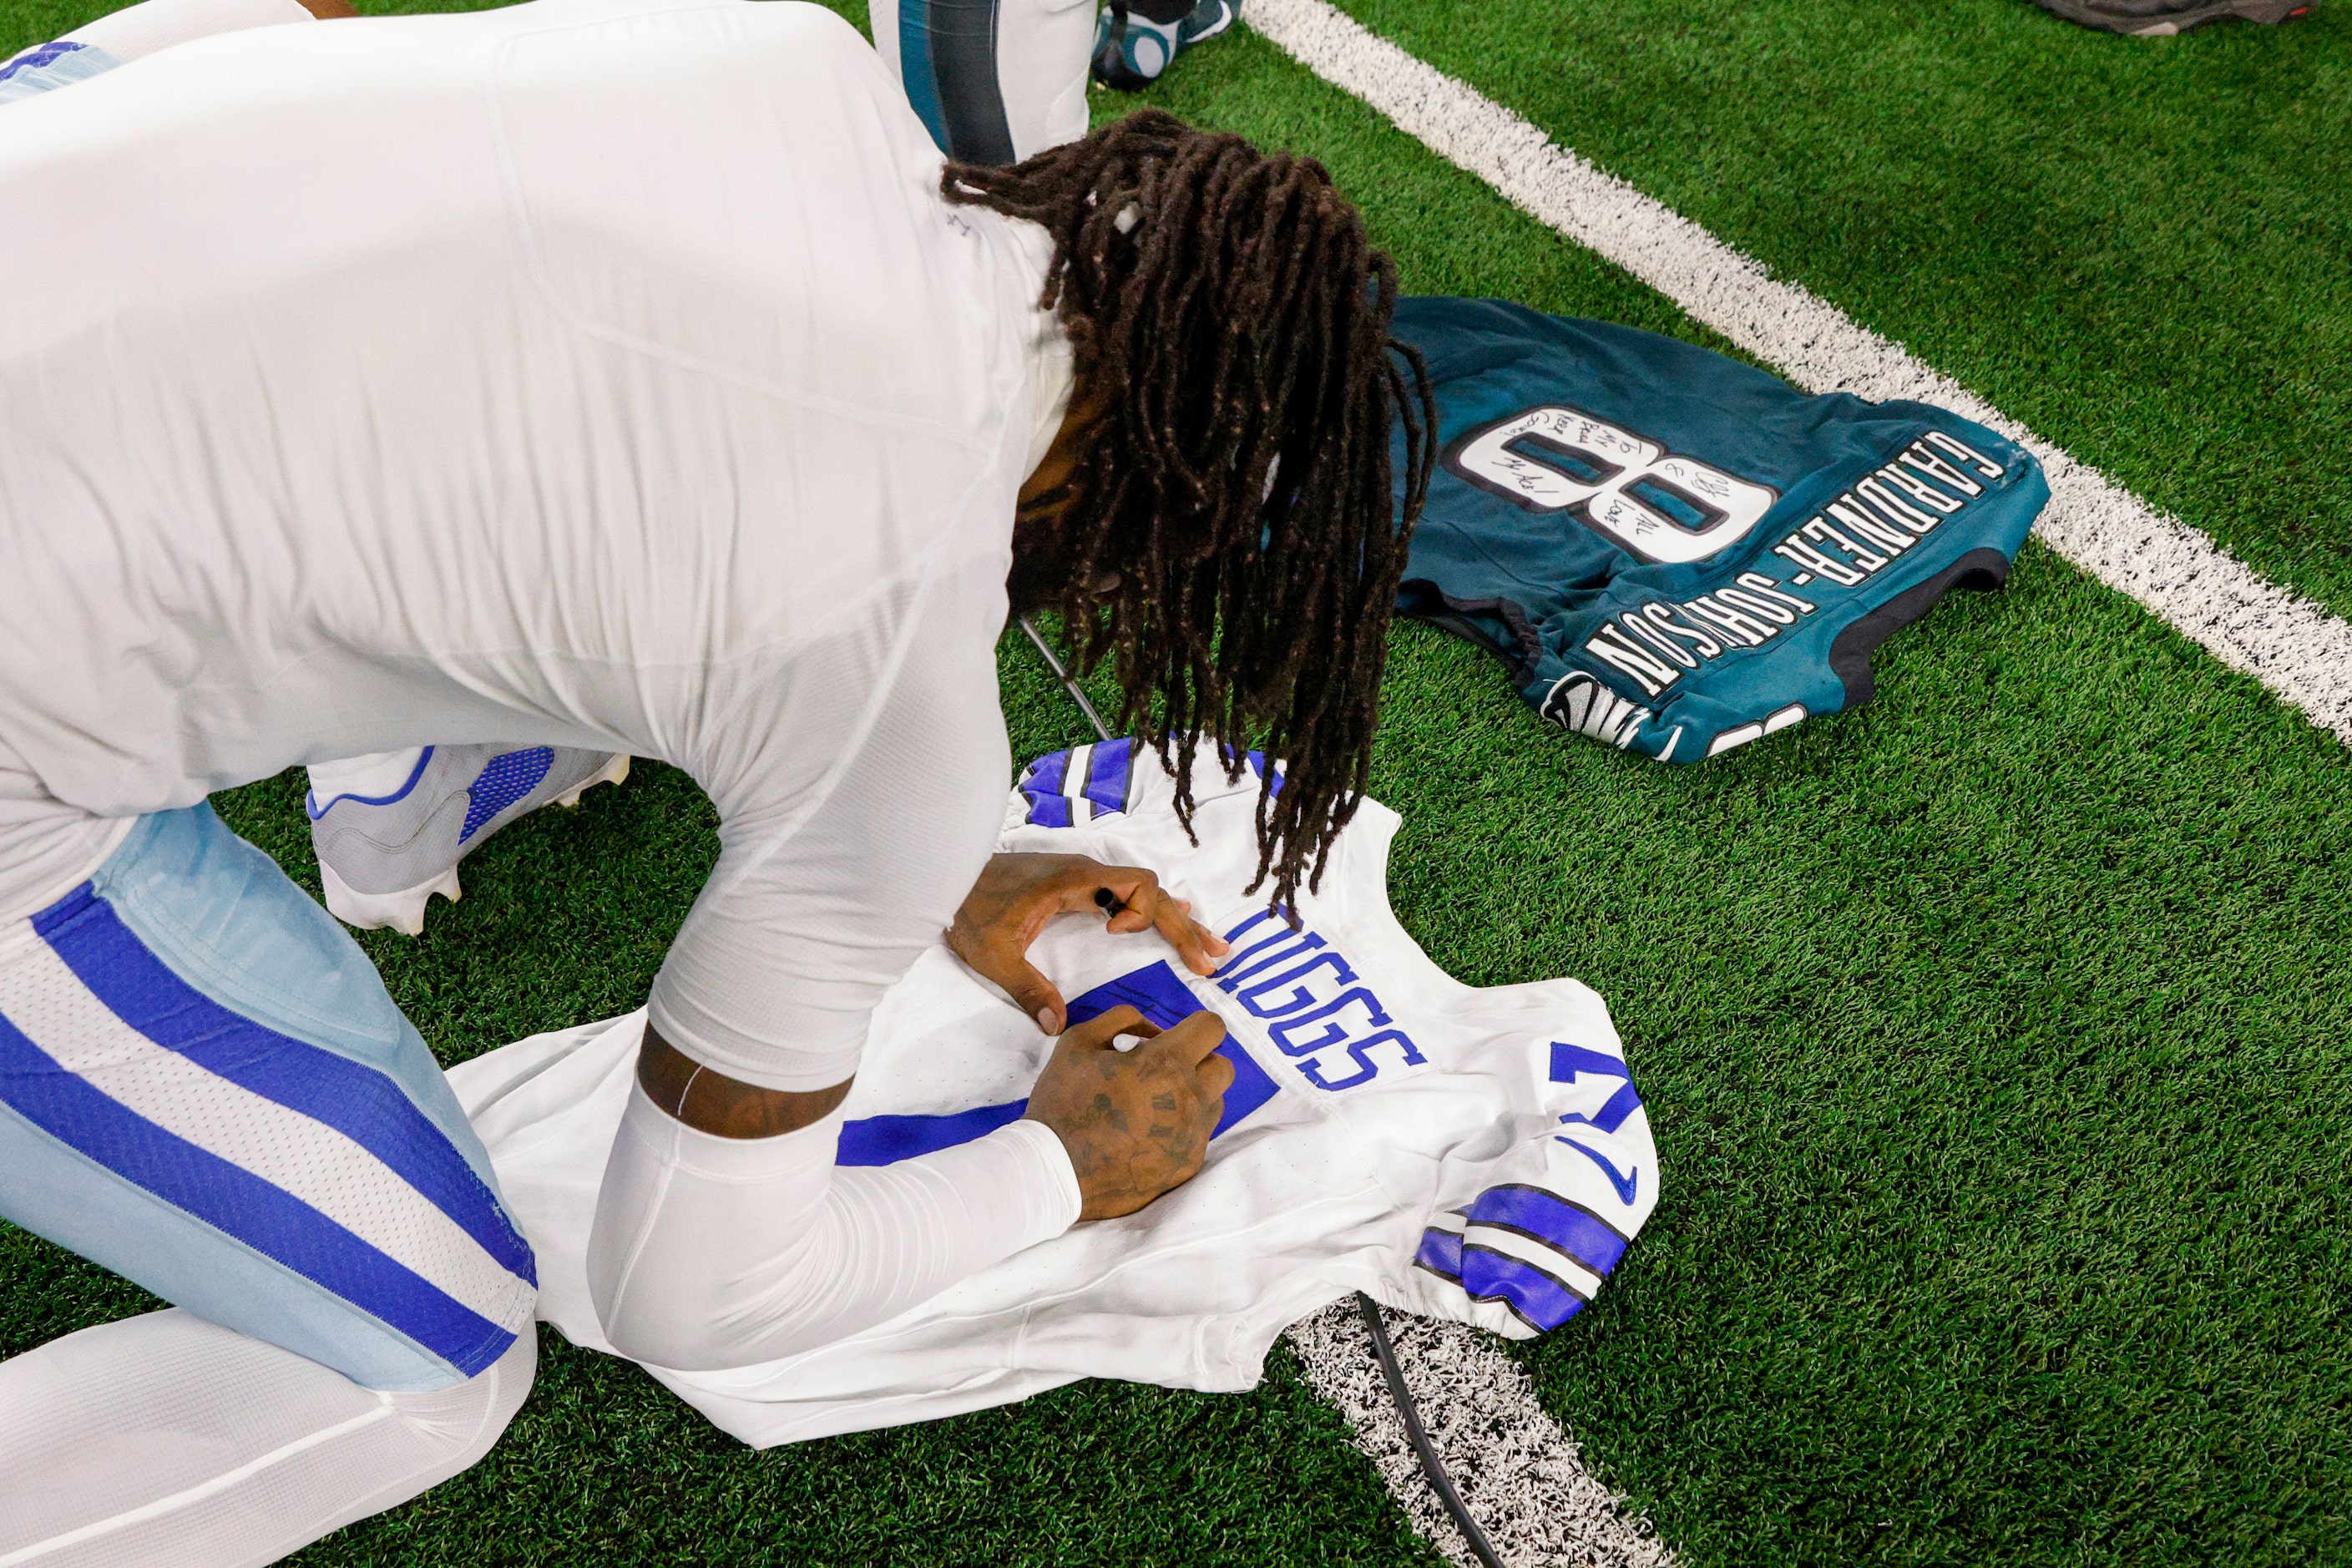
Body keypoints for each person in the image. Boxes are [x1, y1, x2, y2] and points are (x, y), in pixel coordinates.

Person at [0, 0, 1434, 1560]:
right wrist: (1056, 1164)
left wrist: (916, 861)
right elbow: (692, 1289)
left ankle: (389, 744)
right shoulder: (887, 672)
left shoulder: (787, 56)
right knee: (442, 1355)